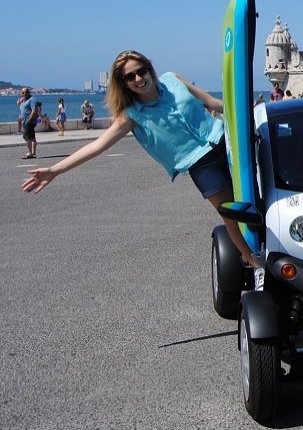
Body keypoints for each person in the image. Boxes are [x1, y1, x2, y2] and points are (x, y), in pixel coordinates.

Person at [21, 50, 260, 268]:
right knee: (230, 214)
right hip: (200, 164)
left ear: (149, 68)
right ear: (123, 83)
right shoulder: (131, 115)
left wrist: (258, 112)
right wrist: (54, 171)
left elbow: (213, 103)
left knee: (257, 194)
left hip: (227, 142)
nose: (138, 79)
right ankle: (250, 260)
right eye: (129, 77)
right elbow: (97, 146)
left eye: (141, 71)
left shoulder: (173, 79)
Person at [18, 88, 38, 159]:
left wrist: (29, 120)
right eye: (23, 92)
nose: (24, 94)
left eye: (26, 92)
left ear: (29, 92)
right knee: (32, 137)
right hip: (25, 121)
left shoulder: (32, 99)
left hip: (29, 121)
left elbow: (34, 110)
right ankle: (33, 153)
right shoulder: (24, 100)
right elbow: (21, 107)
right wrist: (20, 102)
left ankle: (29, 152)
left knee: (26, 136)